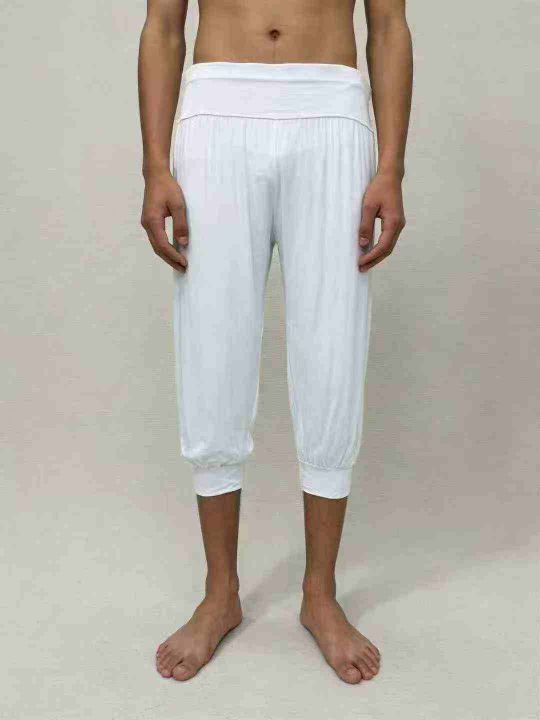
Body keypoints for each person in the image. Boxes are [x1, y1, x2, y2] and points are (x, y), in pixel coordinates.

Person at [138, 0, 412, 685]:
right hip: (217, 110)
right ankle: (220, 593)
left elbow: (388, 26)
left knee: (333, 347)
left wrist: (392, 168)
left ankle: (320, 594)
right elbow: (163, 26)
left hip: (332, 111)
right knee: (212, 346)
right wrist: (154, 167)